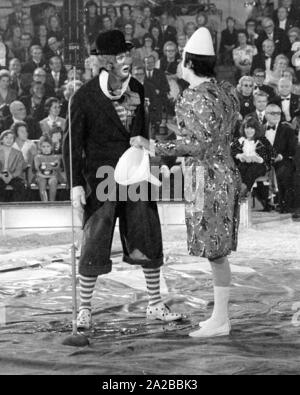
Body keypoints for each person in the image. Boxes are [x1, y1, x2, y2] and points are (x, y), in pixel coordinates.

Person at [62, 30, 182, 330]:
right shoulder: (84, 96)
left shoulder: (139, 89)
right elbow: (71, 143)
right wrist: (76, 184)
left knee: (147, 236)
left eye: (126, 54)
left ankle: (155, 304)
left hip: (137, 175)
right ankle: (85, 309)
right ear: (105, 62)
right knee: (95, 242)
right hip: (101, 178)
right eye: (118, 56)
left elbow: (144, 134)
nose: (125, 60)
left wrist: (150, 164)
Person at [131, 27, 242, 338]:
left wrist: (151, 145)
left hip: (206, 178)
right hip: (225, 174)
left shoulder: (190, 97)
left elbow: (195, 144)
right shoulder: (227, 91)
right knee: (217, 252)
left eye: (182, 58)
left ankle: (221, 321)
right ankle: (220, 317)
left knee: (215, 253)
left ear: (189, 63)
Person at [264, 103, 297, 213]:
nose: (276, 116)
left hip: (282, 161)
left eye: (278, 113)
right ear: (266, 114)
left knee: (284, 171)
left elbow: (292, 149)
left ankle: (284, 204)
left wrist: (281, 156)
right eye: (272, 113)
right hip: (263, 161)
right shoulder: (259, 129)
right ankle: (266, 204)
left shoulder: (287, 130)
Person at [231, 116, 275, 198]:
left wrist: (258, 159)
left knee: (253, 169)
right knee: (241, 168)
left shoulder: (263, 140)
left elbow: (271, 154)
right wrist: (240, 156)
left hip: (260, 166)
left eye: (252, 128)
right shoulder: (240, 140)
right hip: (245, 164)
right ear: (243, 129)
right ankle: (241, 189)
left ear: (256, 129)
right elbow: (232, 151)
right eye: (247, 128)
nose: (249, 131)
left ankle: (244, 189)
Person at [0, 128, 26, 202]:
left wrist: (11, 176)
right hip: (0, 175)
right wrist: (1, 176)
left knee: (20, 186)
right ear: (1, 140)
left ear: (14, 141)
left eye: (11, 138)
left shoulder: (18, 153)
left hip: (13, 175)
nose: (9, 140)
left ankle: (16, 206)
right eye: (6, 137)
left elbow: (19, 169)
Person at [35, 135, 61, 202]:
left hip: (53, 175)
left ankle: (52, 202)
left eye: (48, 146)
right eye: (43, 147)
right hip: (41, 175)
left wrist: (45, 165)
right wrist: (50, 165)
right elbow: (38, 167)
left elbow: (56, 166)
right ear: (40, 147)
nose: (46, 149)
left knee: (53, 181)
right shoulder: (37, 157)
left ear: (51, 147)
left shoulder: (56, 157)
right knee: (42, 181)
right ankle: (44, 202)